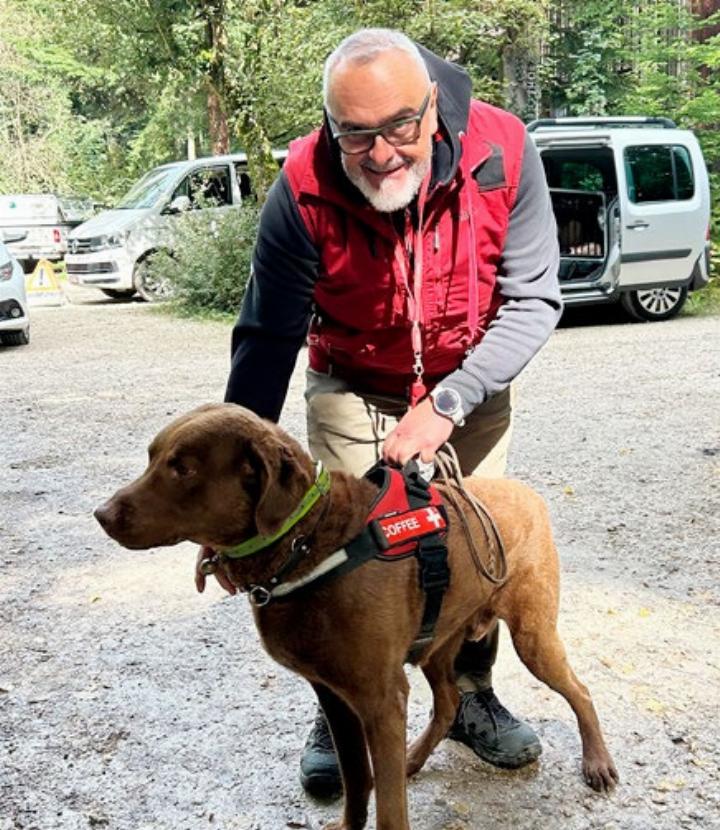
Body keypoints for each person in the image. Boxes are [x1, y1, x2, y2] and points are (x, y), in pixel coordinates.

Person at [196, 28, 562, 798]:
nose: (384, 153)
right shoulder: (301, 187)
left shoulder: (506, 150)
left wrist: (449, 402)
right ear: (331, 126)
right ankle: (339, 706)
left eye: (400, 125)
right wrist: (226, 519)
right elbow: (267, 340)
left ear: (434, 106)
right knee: (340, 553)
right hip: (352, 381)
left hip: (471, 385)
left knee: (471, 550)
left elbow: (533, 299)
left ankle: (468, 698)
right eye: (356, 135)